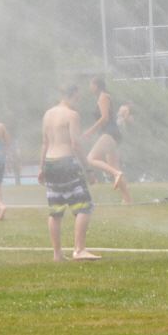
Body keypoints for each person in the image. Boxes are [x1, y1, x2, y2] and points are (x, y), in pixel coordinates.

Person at [40, 84, 99, 261]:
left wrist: (41, 167)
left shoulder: (48, 114)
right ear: (72, 95)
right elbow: (75, 144)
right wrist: (88, 168)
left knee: (55, 211)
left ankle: (57, 254)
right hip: (66, 162)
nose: (78, 101)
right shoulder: (72, 115)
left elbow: (44, 143)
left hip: (50, 163)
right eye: (78, 98)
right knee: (84, 205)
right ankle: (79, 249)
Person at [82, 76, 132, 204]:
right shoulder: (103, 96)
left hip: (109, 133)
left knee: (91, 159)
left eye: (91, 84)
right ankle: (127, 200)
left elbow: (104, 118)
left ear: (96, 85)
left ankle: (115, 174)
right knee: (114, 166)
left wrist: (90, 131)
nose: (89, 87)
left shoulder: (103, 97)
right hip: (112, 133)